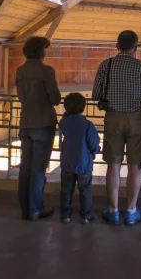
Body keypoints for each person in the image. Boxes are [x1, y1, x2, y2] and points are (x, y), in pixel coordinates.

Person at [91, 30, 141, 225]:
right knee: (135, 167)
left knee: (113, 165)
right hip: (137, 120)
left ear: (116, 47)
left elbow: (96, 95)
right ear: (136, 48)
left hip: (113, 119)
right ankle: (132, 211)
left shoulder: (106, 66)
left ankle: (113, 210)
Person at [16, 36, 61, 221]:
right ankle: (36, 208)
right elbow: (55, 98)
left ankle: (25, 208)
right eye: (45, 49)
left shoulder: (20, 71)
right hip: (43, 123)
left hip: (25, 122)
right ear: (40, 51)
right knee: (38, 169)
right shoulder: (47, 71)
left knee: (25, 167)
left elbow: (20, 97)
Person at [59, 93, 100, 224]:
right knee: (85, 190)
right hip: (84, 164)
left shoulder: (64, 123)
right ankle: (86, 216)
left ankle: (65, 215)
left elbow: (63, 120)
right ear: (83, 107)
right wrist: (94, 152)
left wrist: (67, 114)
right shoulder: (87, 125)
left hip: (67, 163)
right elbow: (93, 142)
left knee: (66, 190)